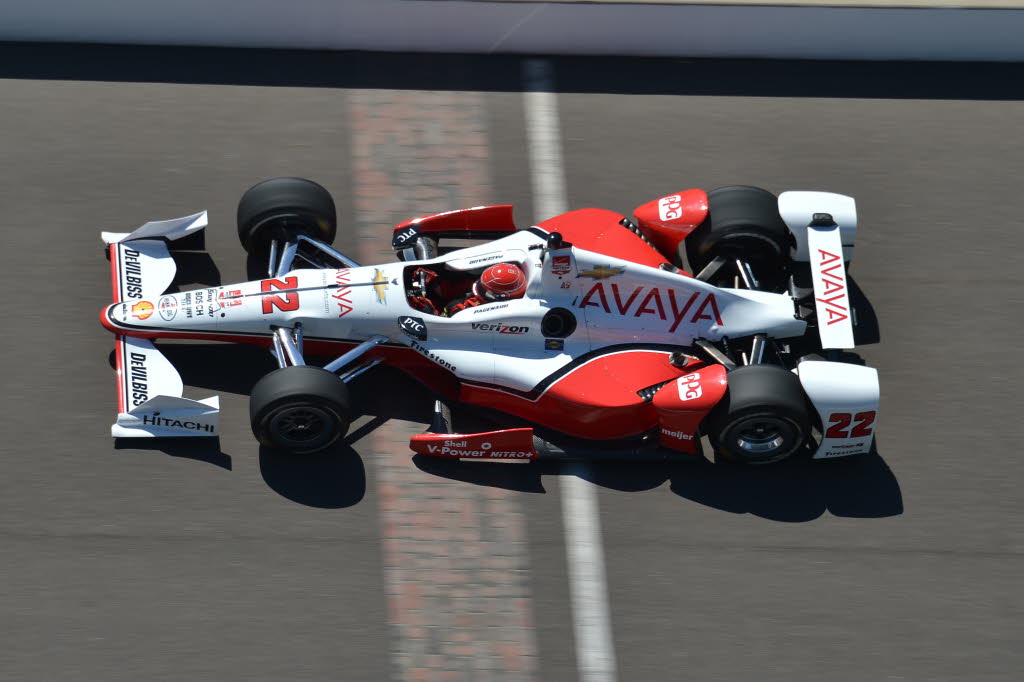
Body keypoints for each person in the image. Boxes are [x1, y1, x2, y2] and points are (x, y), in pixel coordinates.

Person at [407, 262, 527, 316]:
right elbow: (454, 289)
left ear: (501, 297)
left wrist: (427, 310)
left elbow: (447, 323)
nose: (478, 289)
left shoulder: (481, 313)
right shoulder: (490, 286)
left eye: (484, 291)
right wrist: (433, 282)